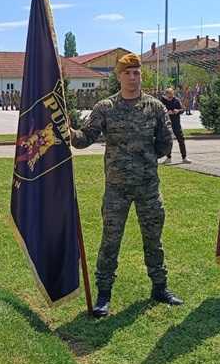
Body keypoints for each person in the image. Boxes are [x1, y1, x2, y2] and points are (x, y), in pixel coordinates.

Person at [71, 53, 183, 317]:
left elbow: (166, 141)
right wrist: (68, 131)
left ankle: (160, 287)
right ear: (118, 76)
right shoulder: (105, 108)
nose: (133, 77)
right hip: (116, 190)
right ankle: (103, 294)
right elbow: (85, 139)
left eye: (137, 73)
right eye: (128, 73)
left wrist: (145, 161)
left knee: (153, 240)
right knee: (110, 241)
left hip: (148, 188)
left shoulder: (154, 107)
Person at [160, 86, 191, 164]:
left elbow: (182, 109)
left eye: (172, 94)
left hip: (176, 123)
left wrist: (178, 111)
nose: (171, 96)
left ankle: (184, 158)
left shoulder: (176, 100)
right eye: (169, 94)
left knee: (181, 140)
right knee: (168, 141)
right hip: (167, 123)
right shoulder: (163, 101)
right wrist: (167, 112)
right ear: (166, 94)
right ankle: (168, 157)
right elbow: (159, 111)